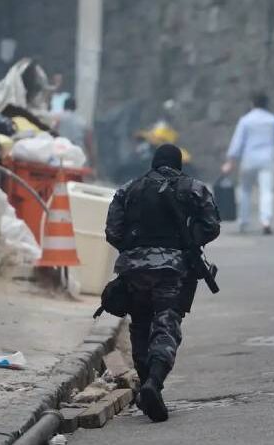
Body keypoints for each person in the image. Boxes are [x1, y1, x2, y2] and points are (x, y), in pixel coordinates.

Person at [105, 144, 220, 422]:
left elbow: (113, 232)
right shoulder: (193, 188)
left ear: (153, 163)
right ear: (179, 164)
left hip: (133, 271)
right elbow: (212, 225)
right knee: (166, 324)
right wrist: (187, 243)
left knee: (140, 324)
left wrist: (136, 251)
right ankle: (153, 384)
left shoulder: (128, 189)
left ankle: (146, 384)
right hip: (172, 269)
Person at [222, 92, 274, 235]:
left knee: (245, 190)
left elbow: (237, 142)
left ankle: (243, 221)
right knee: (266, 191)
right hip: (267, 159)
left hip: (249, 159)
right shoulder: (273, 120)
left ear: (252, 103)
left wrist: (230, 161)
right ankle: (266, 221)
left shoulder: (245, 120)